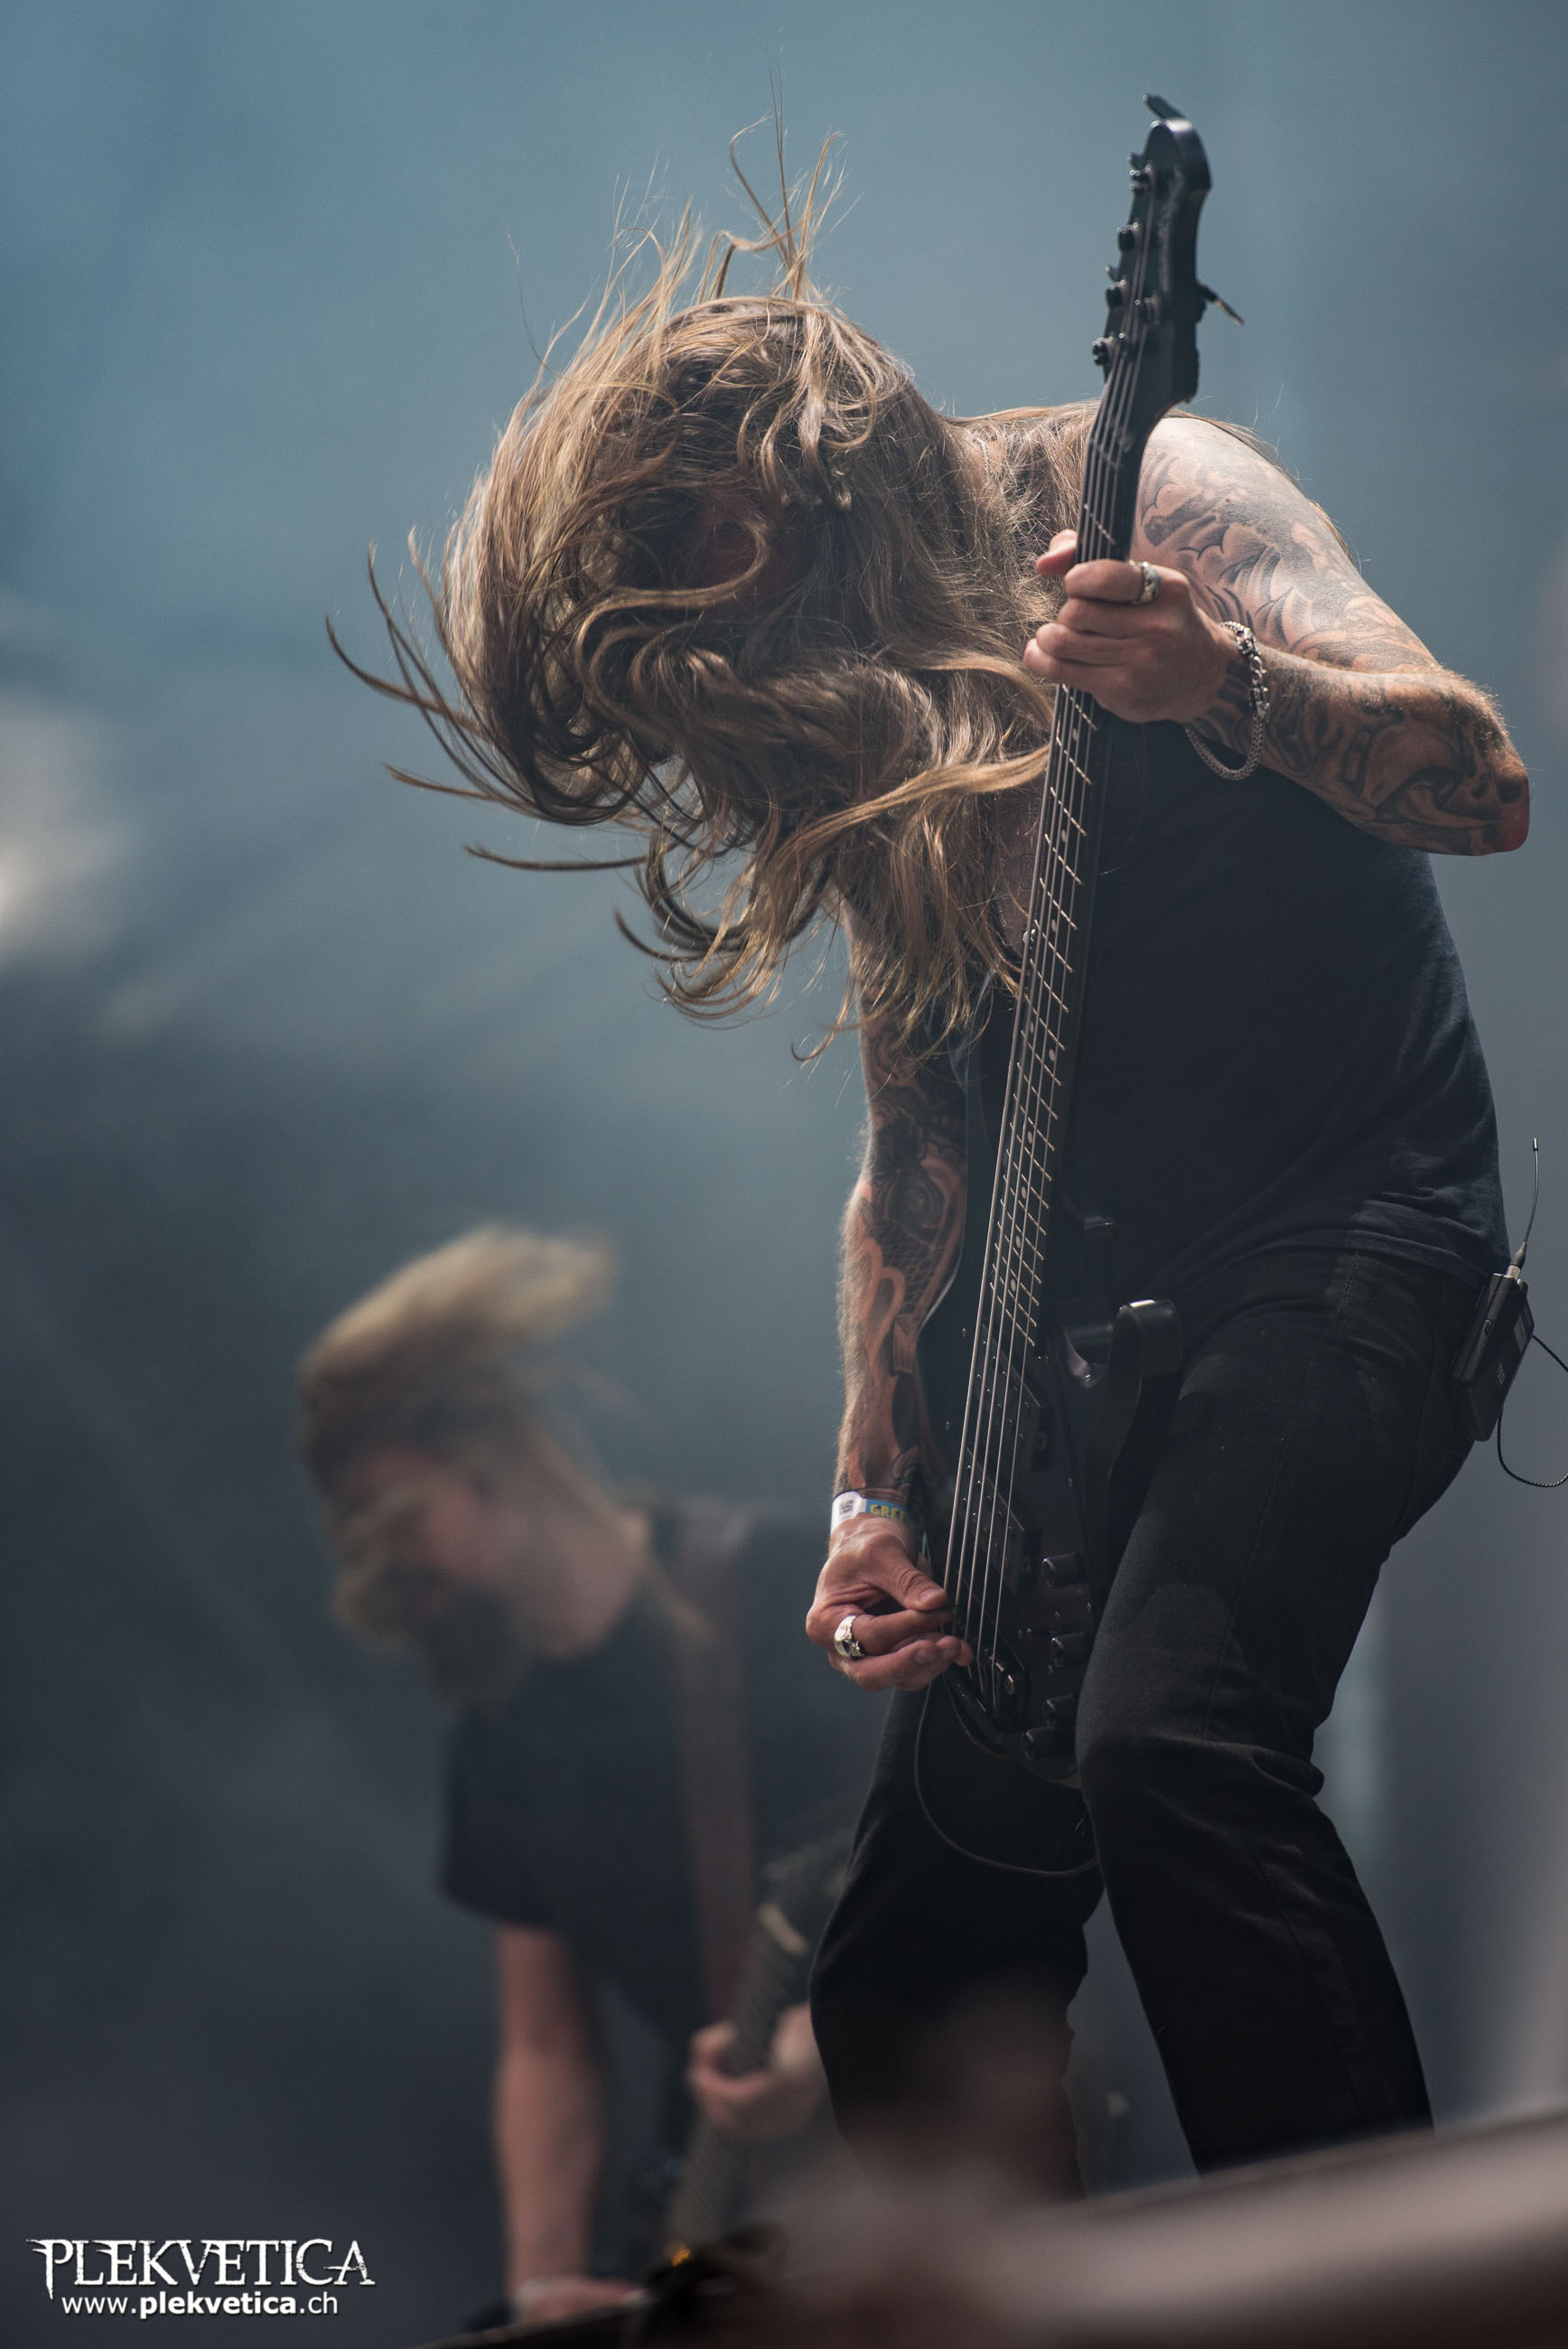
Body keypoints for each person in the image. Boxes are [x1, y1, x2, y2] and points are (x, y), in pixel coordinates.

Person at [341, 173, 1529, 2183]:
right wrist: (870, 1498)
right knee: (899, 1976)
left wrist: (1222, 685)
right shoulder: (869, 727)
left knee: (1171, 1748)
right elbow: (917, 1140)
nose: (743, 661)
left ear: (794, 486)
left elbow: (1479, 780)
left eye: (726, 593)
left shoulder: (1152, 492)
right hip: (1090, 1336)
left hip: (1347, 1242)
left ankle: (1384, 2288)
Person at [298, 1225, 882, 2322]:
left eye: (401, 1517)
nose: (399, 1569)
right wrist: (541, 2283)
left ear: (487, 1451)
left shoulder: (773, 1587)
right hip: (725, 2205)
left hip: (921, 2140)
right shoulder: (500, 1739)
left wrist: (817, 2045)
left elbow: (955, 1857)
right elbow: (545, 2044)